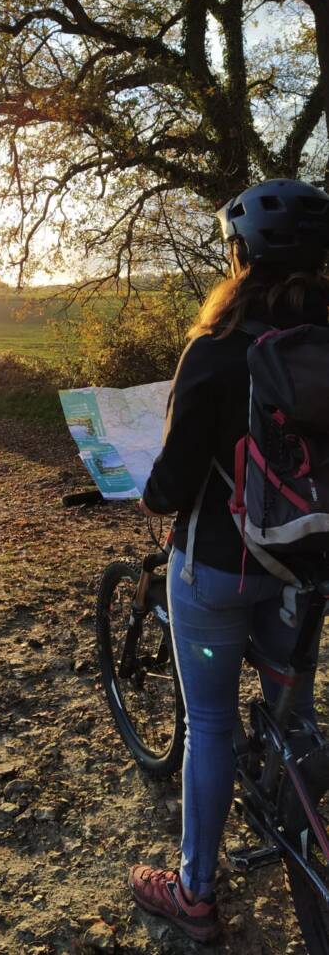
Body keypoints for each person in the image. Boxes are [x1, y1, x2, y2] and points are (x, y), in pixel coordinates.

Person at [128, 178, 329, 944]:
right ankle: (299, 820)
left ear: (239, 255)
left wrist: (148, 499)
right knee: (297, 712)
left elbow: (172, 484)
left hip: (221, 567)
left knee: (209, 720)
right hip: (309, 569)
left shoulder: (215, 350)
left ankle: (196, 893)